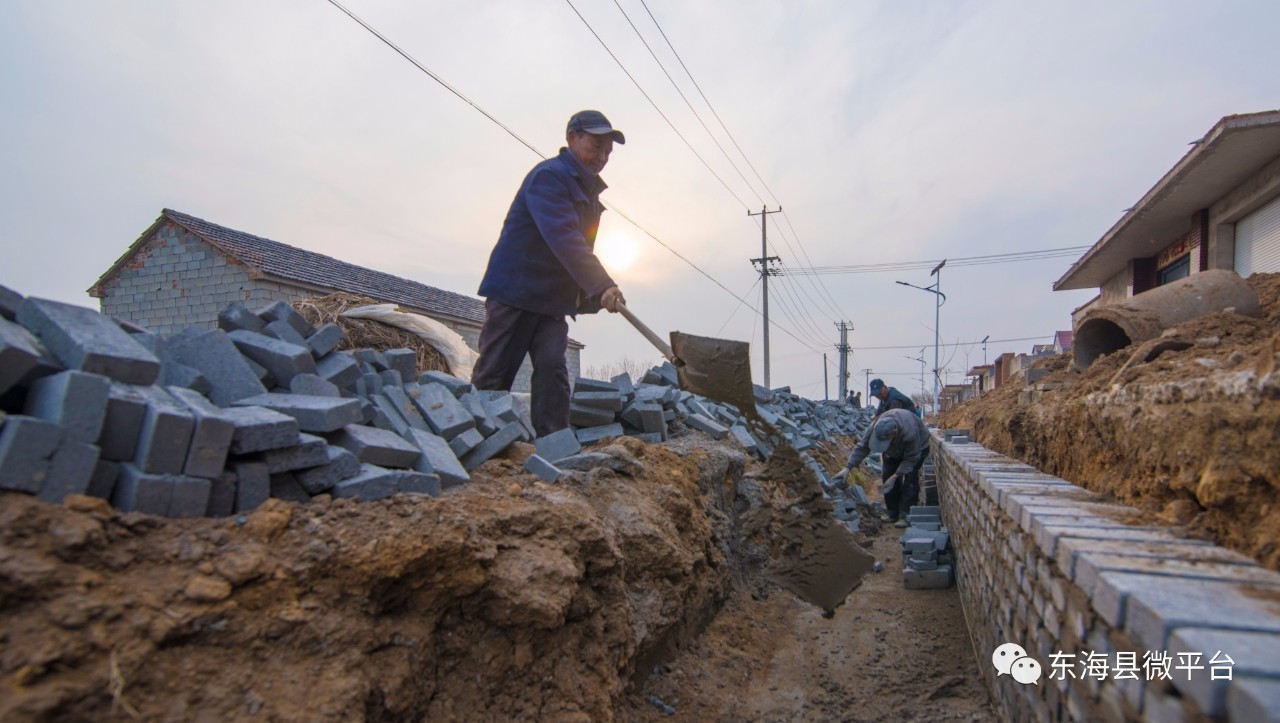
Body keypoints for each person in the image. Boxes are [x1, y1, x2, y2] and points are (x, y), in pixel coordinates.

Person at [473, 110, 627, 436]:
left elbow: (577, 248)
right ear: (572, 138)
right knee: (495, 374)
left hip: (552, 301)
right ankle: (479, 445)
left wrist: (592, 294)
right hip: (516, 293)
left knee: (553, 371)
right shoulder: (549, 178)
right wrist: (602, 285)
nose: (601, 157)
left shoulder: (587, 190)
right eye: (595, 147)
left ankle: (555, 446)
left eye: (607, 152)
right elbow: (564, 237)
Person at [832, 407, 929, 527]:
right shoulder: (875, 427)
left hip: (918, 448)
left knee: (910, 478)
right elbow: (863, 446)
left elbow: (911, 459)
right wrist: (848, 467)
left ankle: (905, 514)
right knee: (887, 475)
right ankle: (892, 513)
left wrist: (896, 475)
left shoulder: (909, 433)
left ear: (894, 432)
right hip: (893, 450)